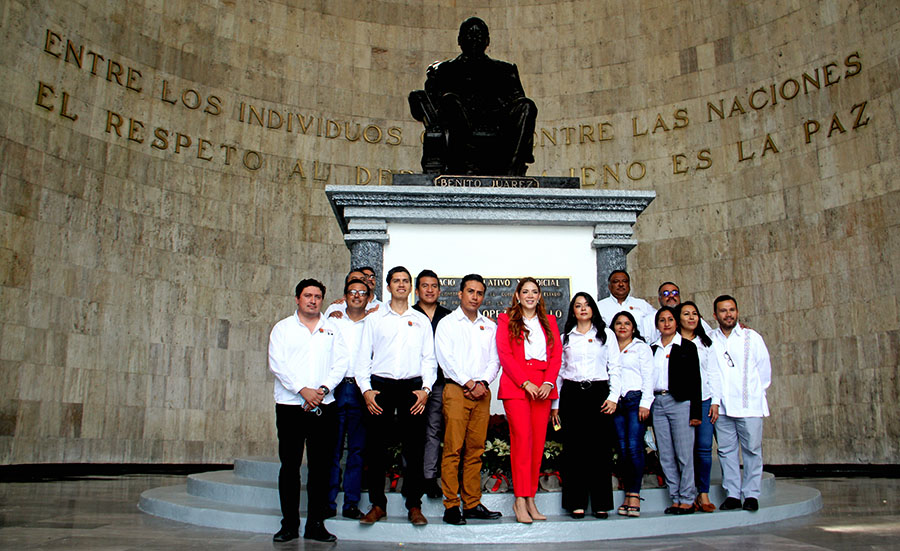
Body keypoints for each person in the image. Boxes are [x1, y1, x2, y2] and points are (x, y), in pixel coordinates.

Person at [267, 279, 348, 543]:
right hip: (291, 406)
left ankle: (315, 524)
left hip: (324, 405)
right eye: (307, 296)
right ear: (297, 299)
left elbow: (341, 363)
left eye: (317, 296)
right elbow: (277, 364)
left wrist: (322, 390)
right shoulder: (283, 329)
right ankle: (289, 524)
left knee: (320, 468)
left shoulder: (332, 328)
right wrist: (303, 390)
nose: (312, 300)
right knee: (290, 466)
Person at [355, 266, 437, 526]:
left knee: (414, 450)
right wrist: (366, 391)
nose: (401, 285)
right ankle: (378, 505)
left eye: (405, 281)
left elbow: (429, 359)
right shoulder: (375, 318)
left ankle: (414, 504)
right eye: (396, 281)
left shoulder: (421, 320)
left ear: (411, 287)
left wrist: (425, 391)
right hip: (380, 388)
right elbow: (362, 357)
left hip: (412, 390)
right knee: (376, 449)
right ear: (388, 286)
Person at [414, 16, 537, 175]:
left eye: (478, 36)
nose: (474, 40)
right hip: (458, 123)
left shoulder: (505, 70)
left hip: (497, 122)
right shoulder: (444, 70)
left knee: (527, 106)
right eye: (469, 35)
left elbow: (517, 101)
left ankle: (511, 171)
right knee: (449, 101)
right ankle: (462, 165)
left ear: (487, 41)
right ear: (459, 40)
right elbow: (431, 105)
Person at [433, 274, 503, 525]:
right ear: (460, 294)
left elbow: (496, 360)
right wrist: (469, 383)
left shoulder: (490, 326)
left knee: (475, 450)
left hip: (482, 393)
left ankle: (472, 503)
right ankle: (451, 505)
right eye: (470, 291)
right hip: (456, 390)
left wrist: (482, 383)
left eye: (479, 293)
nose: (475, 297)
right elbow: (445, 360)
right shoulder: (448, 324)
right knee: (453, 449)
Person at [495, 277, 562, 524]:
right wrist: (525, 382)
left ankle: (531, 497)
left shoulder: (550, 322)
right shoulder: (506, 320)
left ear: (540, 295)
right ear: (518, 295)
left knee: (536, 444)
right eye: (526, 291)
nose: (531, 295)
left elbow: (556, 356)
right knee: (522, 441)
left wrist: (548, 383)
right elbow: (505, 354)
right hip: (518, 385)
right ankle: (520, 499)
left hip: (543, 387)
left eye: (535, 291)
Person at [550, 292, 621, 519]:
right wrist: (556, 405)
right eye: (578, 306)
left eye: (587, 305)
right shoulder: (565, 338)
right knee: (574, 451)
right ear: (573, 311)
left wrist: (613, 397)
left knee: (599, 450)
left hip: (599, 394)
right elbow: (559, 374)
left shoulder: (606, 335)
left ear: (593, 309)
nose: (583, 309)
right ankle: (576, 503)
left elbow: (615, 369)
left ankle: (601, 504)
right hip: (572, 394)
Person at [708, 295, 772, 512]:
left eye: (732, 310)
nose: (729, 314)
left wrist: (753, 394)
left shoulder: (751, 337)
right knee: (726, 451)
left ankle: (752, 494)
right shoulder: (710, 339)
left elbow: (764, 370)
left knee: (752, 450)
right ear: (716, 315)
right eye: (724, 311)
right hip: (722, 407)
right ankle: (733, 494)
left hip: (749, 404)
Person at [325, 277, 374, 520]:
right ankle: (327, 501)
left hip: (360, 389)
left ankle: (352, 503)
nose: (357, 295)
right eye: (352, 292)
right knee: (332, 449)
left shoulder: (373, 322)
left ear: (368, 297)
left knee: (357, 449)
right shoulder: (332, 322)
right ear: (345, 296)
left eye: (362, 292)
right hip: (336, 389)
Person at [649, 306, 702, 515]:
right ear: (657, 325)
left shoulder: (687, 347)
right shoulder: (651, 349)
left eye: (670, 319)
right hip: (658, 402)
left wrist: (696, 412)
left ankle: (688, 498)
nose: (667, 323)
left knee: (684, 453)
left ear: (676, 323)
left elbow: (696, 381)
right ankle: (675, 497)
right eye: (662, 320)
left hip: (680, 402)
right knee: (666, 454)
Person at [412, 269, 453, 499]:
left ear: (439, 290)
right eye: (425, 286)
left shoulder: (448, 317)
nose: (429, 290)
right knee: (411, 431)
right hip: (411, 383)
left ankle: (429, 477)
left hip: (438, 383)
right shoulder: (408, 314)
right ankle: (411, 477)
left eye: (434, 286)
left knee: (434, 430)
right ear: (417, 290)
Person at [676, 301, 719, 513]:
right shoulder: (671, 342)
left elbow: (713, 374)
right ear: (679, 318)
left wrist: (715, 402)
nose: (692, 317)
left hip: (703, 400)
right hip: (681, 402)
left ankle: (703, 492)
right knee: (684, 450)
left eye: (695, 314)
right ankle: (687, 493)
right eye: (686, 314)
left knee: (703, 448)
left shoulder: (706, 343)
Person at [610, 310, 653, 518]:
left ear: (633, 327)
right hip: (616, 403)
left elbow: (648, 377)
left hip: (636, 401)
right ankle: (627, 493)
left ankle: (634, 494)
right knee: (623, 448)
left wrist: (646, 403)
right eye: (618, 323)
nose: (623, 327)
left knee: (635, 447)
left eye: (627, 323)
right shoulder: (608, 348)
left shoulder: (641, 348)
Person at [644, 281, 713, 342]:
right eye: (666, 293)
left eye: (675, 293)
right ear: (659, 299)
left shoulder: (692, 317)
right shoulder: (649, 319)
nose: (671, 296)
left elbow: (708, 336)